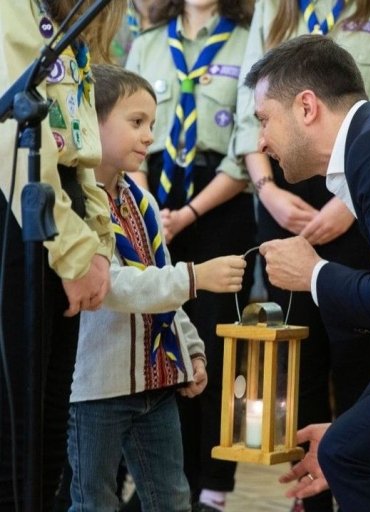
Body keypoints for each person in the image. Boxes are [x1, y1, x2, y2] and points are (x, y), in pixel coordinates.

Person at [234, 2, 370, 510]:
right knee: (350, 442)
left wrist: (314, 274)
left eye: (264, 120)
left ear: (307, 107)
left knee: (347, 454)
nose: (260, 141)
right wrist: (353, 420)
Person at [65, 63, 246, 512]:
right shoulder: (74, 203)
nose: (149, 136)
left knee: (172, 499)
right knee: (93, 502)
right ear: (92, 123)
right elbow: (108, 286)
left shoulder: (142, 201)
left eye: (152, 123)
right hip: (96, 389)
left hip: (158, 382)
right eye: (136, 122)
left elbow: (160, 282)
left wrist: (192, 352)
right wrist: (194, 276)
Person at [126, 2, 256, 511]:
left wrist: (189, 214)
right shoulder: (149, 42)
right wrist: (148, 206)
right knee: (162, 342)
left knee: (215, 348)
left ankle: (214, 486)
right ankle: (168, 479)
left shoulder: (248, 39)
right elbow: (123, 126)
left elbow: (246, 145)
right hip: (152, 195)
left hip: (219, 202)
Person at [0, 1, 126, 510]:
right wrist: (74, 255)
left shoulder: (69, 25)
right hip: (21, 214)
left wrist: (99, 243)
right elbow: (12, 136)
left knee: (51, 421)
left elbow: (81, 145)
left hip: (64, 217)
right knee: (16, 423)